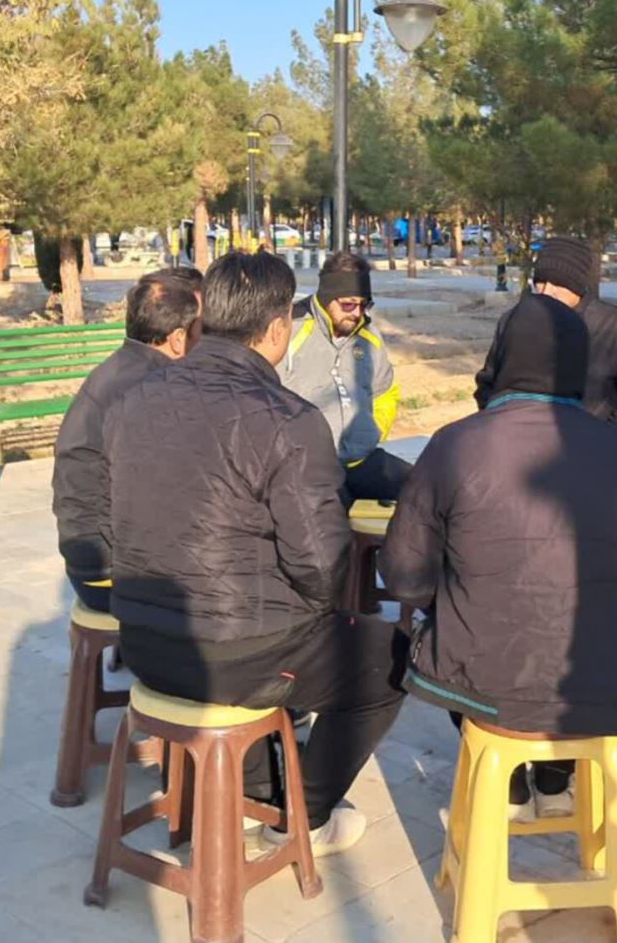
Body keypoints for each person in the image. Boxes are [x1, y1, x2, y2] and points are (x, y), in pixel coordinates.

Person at [106, 251, 406, 856]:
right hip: (234, 657)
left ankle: (256, 788)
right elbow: (322, 567)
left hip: (141, 643)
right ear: (276, 328)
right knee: (390, 659)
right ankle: (302, 816)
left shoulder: (132, 399)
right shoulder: (287, 420)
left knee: (277, 629)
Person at [384, 292, 617, 818]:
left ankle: (508, 786)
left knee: (457, 637)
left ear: (500, 359)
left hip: (484, 677)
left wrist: (461, 596)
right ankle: (555, 781)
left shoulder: (454, 445)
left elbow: (403, 577)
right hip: (610, 681)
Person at [52, 268, 202, 613]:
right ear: (178, 338)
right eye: (200, 330)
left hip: (89, 555)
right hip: (107, 573)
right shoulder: (152, 388)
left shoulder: (122, 367)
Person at [475, 237, 617, 433]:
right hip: (520, 440)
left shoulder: (615, 325)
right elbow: (487, 385)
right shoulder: (515, 320)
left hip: (590, 444)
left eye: (557, 284)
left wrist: (605, 434)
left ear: (577, 286)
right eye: (540, 282)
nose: (547, 291)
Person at [283, 252, 411, 503]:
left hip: (362, 460)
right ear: (327, 296)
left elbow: (385, 392)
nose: (357, 313)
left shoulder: (369, 336)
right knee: (332, 516)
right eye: (348, 305)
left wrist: (371, 431)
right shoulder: (290, 330)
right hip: (307, 468)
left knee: (426, 490)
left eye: (364, 305)